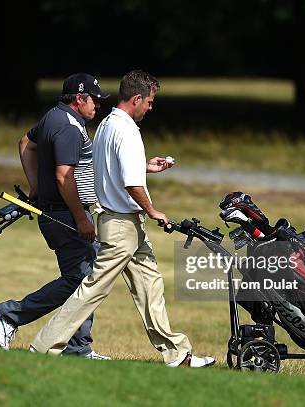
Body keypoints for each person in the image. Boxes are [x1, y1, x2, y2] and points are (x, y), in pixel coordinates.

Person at [30, 70, 216, 368]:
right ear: (138, 98)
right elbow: (131, 182)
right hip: (121, 225)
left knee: (149, 284)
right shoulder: (128, 130)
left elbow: (116, 168)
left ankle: (176, 354)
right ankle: (42, 347)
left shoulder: (106, 124)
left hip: (123, 222)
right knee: (93, 288)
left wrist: (146, 166)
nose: (151, 108)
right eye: (150, 102)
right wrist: (153, 210)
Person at [0, 73, 110, 360]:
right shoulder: (69, 127)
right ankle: (12, 314)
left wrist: (35, 183)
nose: (97, 105)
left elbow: (25, 143)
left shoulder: (52, 117)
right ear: (79, 99)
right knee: (80, 281)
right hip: (66, 214)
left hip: (57, 211)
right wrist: (81, 219)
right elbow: (63, 177)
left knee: (83, 279)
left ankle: (78, 347)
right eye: (93, 99)